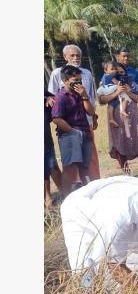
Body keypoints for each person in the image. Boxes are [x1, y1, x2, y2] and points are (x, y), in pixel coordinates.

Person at [47, 44, 101, 180]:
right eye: (72, 55)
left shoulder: (86, 73)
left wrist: (94, 117)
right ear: (65, 57)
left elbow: (90, 97)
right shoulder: (57, 73)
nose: (76, 58)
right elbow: (52, 95)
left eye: (78, 55)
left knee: (90, 156)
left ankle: (94, 182)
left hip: (85, 121)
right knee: (72, 161)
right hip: (67, 125)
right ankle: (73, 188)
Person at [51, 65, 98, 196]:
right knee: (69, 168)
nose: (78, 83)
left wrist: (84, 96)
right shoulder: (61, 97)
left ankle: (88, 195)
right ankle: (66, 198)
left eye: (79, 80)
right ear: (65, 81)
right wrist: (73, 132)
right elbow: (56, 119)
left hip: (85, 133)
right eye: (75, 80)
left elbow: (91, 112)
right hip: (69, 136)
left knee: (85, 167)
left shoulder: (80, 94)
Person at [97, 62, 138, 175]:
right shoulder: (107, 84)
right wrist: (116, 93)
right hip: (116, 119)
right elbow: (101, 100)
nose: (118, 74)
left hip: (133, 118)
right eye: (116, 71)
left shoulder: (133, 85)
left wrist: (129, 93)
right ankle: (126, 172)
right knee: (119, 143)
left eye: (121, 72)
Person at [44, 90, 62, 208]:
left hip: (46, 138)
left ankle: (65, 192)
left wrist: (48, 98)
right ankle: (47, 198)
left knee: (52, 165)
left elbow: (52, 97)